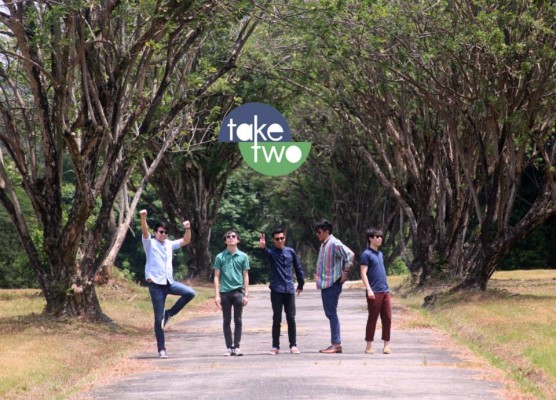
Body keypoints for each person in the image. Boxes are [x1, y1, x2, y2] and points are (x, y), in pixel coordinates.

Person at [140, 209, 196, 359]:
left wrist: (187, 228)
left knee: (190, 293)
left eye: (165, 232)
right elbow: (144, 231)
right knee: (159, 320)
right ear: (155, 232)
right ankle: (161, 349)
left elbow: (186, 241)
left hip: (169, 282)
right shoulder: (149, 243)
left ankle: (169, 313)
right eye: (160, 232)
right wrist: (143, 217)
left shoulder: (169, 244)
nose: (163, 234)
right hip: (156, 285)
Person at [260, 228, 305, 355]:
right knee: (277, 318)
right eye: (277, 239)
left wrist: (301, 283)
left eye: (282, 238)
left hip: (289, 289)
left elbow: (298, 267)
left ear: (284, 238)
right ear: (273, 240)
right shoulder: (271, 253)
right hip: (276, 289)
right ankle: (275, 346)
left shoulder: (291, 252)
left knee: (291, 318)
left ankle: (293, 345)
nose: (280, 240)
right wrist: (263, 248)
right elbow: (265, 254)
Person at [314, 219, 354, 354]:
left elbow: (350, 255)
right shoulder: (324, 244)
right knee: (329, 313)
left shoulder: (334, 243)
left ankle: (336, 344)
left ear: (326, 231)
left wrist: (346, 272)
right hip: (326, 284)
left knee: (331, 314)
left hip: (332, 283)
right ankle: (335, 343)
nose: (317, 235)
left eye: (319, 232)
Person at [213, 230, 250, 356]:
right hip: (225, 292)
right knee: (226, 320)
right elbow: (216, 276)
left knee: (238, 320)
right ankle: (229, 347)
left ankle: (237, 346)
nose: (231, 238)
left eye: (233, 236)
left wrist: (246, 294)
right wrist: (217, 295)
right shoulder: (220, 257)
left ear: (238, 240)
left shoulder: (243, 256)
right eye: (228, 237)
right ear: (225, 241)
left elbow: (246, 275)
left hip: (238, 292)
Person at [360, 227, 392, 354]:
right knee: (373, 318)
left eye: (381, 236)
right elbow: (363, 272)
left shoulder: (380, 254)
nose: (380, 239)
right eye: (377, 236)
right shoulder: (366, 254)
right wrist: (369, 289)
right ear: (370, 238)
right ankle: (369, 346)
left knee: (387, 318)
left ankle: (386, 345)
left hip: (385, 291)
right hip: (374, 291)